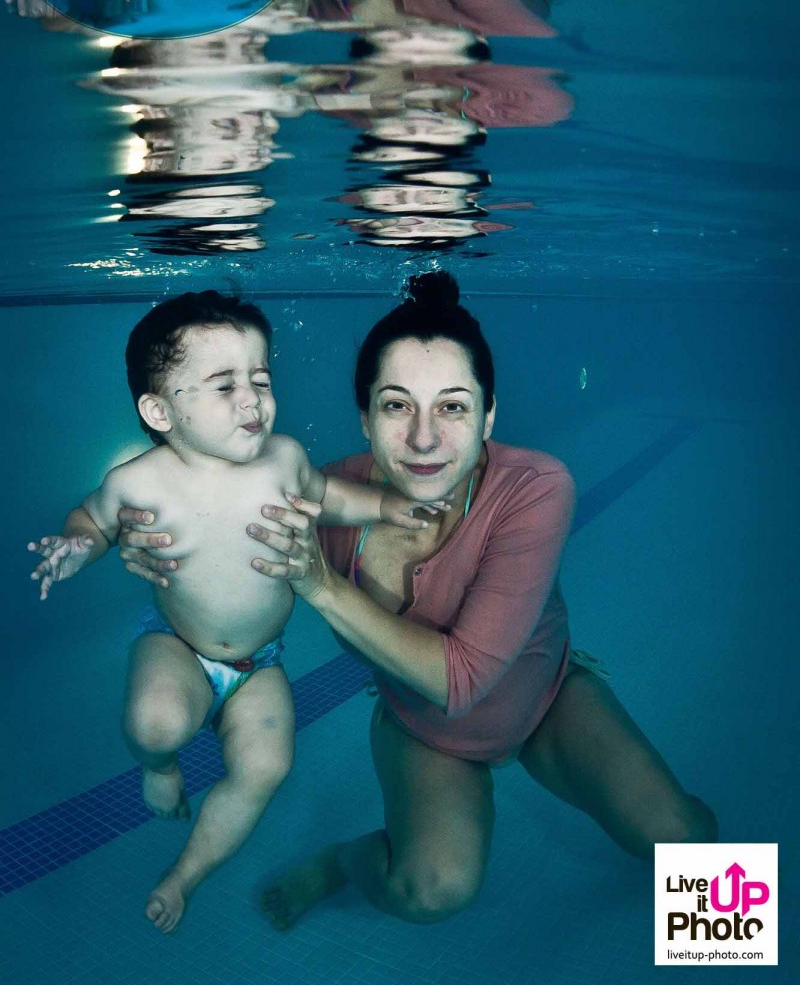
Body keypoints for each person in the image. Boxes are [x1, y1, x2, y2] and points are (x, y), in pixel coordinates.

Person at [117, 272, 718, 931]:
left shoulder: (535, 487)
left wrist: (322, 585)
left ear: (489, 415)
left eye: (453, 408)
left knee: (688, 842)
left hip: (548, 699)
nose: (425, 440)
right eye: (397, 406)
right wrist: (153, 550)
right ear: (365, 417)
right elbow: (205, 529)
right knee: (429, 892)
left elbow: (462, 679)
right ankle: (345, 861)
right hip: (422, 728)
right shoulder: (321, 497)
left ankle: (732, 959)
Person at [26, 290, 446, 934]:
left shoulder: (283, 458)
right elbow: (94, 520)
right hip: (178, 643)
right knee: (156, 723)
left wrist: (388, 506)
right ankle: (160, 769)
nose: (252, 400)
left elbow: (328, 497)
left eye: (261, 379)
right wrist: (75, 546)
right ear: (160, 411)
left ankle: (186, 873)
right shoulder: (139, 481)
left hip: (261, 662)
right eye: (224, 386)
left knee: (267, 767)